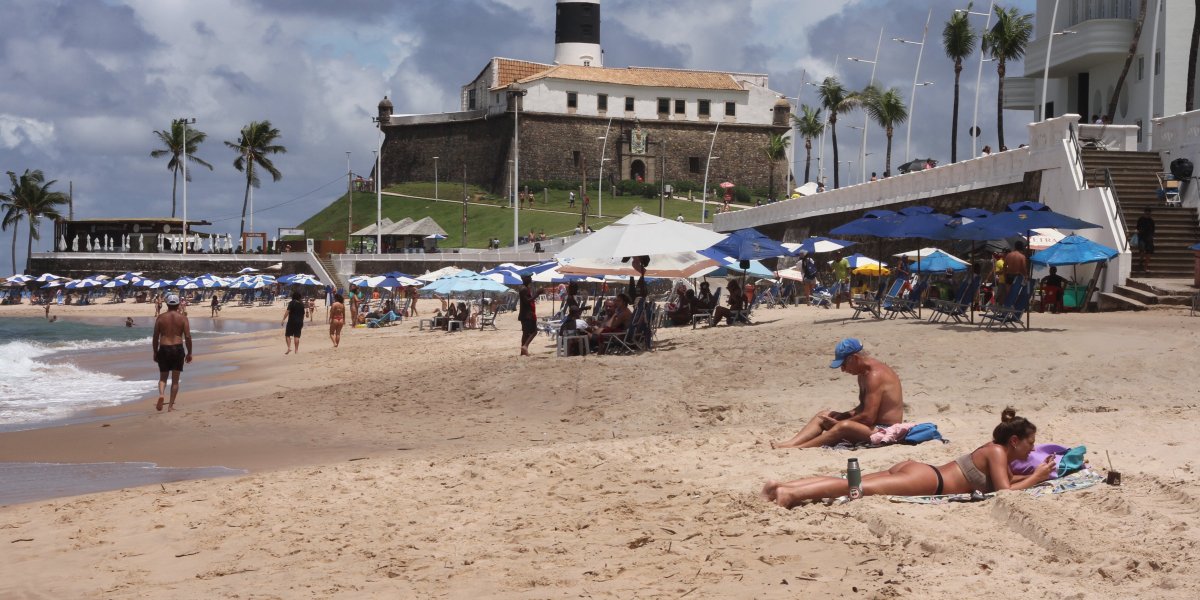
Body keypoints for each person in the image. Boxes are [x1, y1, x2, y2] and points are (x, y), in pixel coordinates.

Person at [762, 408, 1057, 508]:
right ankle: (789, 495)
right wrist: (1036, 477)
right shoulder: (996, 451)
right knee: (855, 487)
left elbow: (1004, 481)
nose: (1033, 449)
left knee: (850, 480)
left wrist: (1032, 476)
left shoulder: (996, 452)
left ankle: (783, 486)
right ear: (1014, 440)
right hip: (929, 480)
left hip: (921, 472)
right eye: (1030, 443)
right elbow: (1005, 491)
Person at [770, 338, 904, 449]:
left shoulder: (874, 376)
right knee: (823, 415)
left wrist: (839, 422)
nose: (843, 369)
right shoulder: (863, 373)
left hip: (885, 430)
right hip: (871, 425)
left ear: (854, 358)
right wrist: (842, 415)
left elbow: (868, 417)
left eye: (844, 364)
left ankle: (801, 448)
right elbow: (863, 407)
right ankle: (790, 444)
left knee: (843, 426)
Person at [152, 294, 193, 412]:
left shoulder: (160, 318)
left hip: (164, 348)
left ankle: (161, 394)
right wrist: (189, 352)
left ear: (167, 304)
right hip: (177, 348)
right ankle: (170, 406)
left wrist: (155, 352)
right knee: (175, 379)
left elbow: (155, 337)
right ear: (178, 304)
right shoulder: (183, 318)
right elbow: (188, 337)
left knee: (163, 377)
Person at [518, 274, 537, 356]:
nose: (531, 278)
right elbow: (527, 301)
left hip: (525, 314)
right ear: (525, 278)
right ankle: (525, 346)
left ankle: (523, 352)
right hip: (527, 314)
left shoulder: (524, 288)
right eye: (529, 277)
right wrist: (537, 294)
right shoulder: (524, 289)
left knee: (525, 333)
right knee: (534, 331)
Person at [1136, 207, 1155, 273]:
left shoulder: (1151, 221)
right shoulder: (1141, 219)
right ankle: (1141, 261)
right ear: (1144, 212)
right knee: (1142, 251)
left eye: (1148, 213)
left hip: (1149, 239)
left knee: (1148, 253)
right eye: (1146, 212)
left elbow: (1153, 230)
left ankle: (1145, 267)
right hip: (1141, 237)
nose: (1147, 214)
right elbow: (1137, 227)